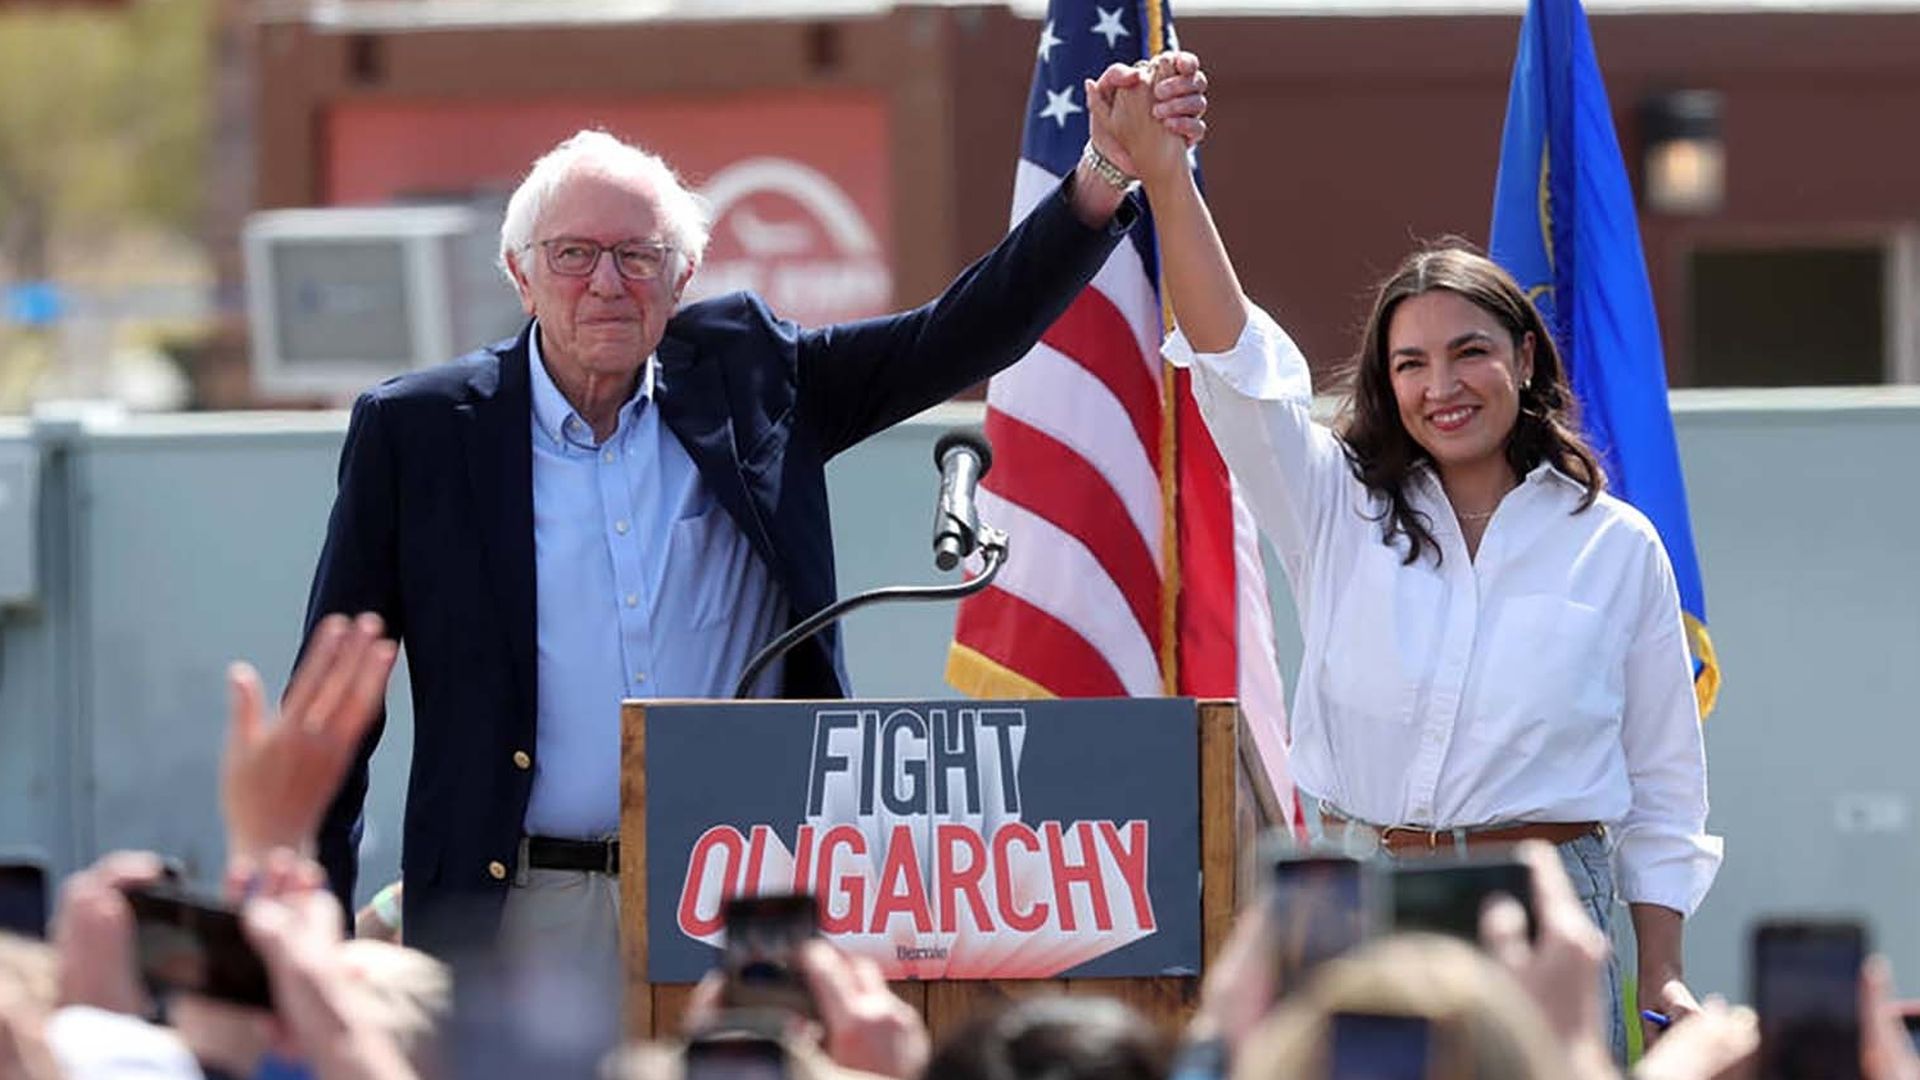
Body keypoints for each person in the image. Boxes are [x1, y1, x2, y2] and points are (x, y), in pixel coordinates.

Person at [299, 58, 1215, 960]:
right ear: (519, 273)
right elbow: (333, 709)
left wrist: (1099, 177)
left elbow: (958, 334)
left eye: (639, 256)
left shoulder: (754, 384)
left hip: (744, 898)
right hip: (517, 910)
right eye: (573, 256)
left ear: (685, 271)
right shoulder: (420, 433)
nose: (607, 285)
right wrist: (317, 943)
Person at [1092, 64, 1720, 1058]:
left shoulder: (1617, 546)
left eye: (1469, 353)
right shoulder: (1333, 503)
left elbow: (1664, 784)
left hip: (1547, 915)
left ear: (1524, 358)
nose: (1443, 387)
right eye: (1410, 364)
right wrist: (1167, 178)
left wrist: (1666, 966)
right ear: (1386, 384)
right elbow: (1235, 369)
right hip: (1358, 902)